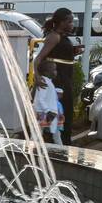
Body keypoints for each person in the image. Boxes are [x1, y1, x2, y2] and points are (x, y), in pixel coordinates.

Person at [33, 8, 83, 145]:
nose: (72, 24)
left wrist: (73, 52)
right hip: (58, 81)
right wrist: (37, 77)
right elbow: (38, 59)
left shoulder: (62, 36)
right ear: (61, 22)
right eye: (70, 21)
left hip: (65, 79)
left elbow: (60, 55)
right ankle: (58, 145)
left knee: (65, 113)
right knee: (60, 112)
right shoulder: (54, 37)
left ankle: (62, 143)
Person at [32, 59, 65, 145]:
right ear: (46, 72)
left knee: (55, 134)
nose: (56, 72)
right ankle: (31, 149)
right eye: (54, 70)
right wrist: (48, 111)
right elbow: (40, 99)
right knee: (38, 133)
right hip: (44, 113)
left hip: (50, 113)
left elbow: (51, 100)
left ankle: (61, 150)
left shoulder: (48, 82)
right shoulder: (44, 81)